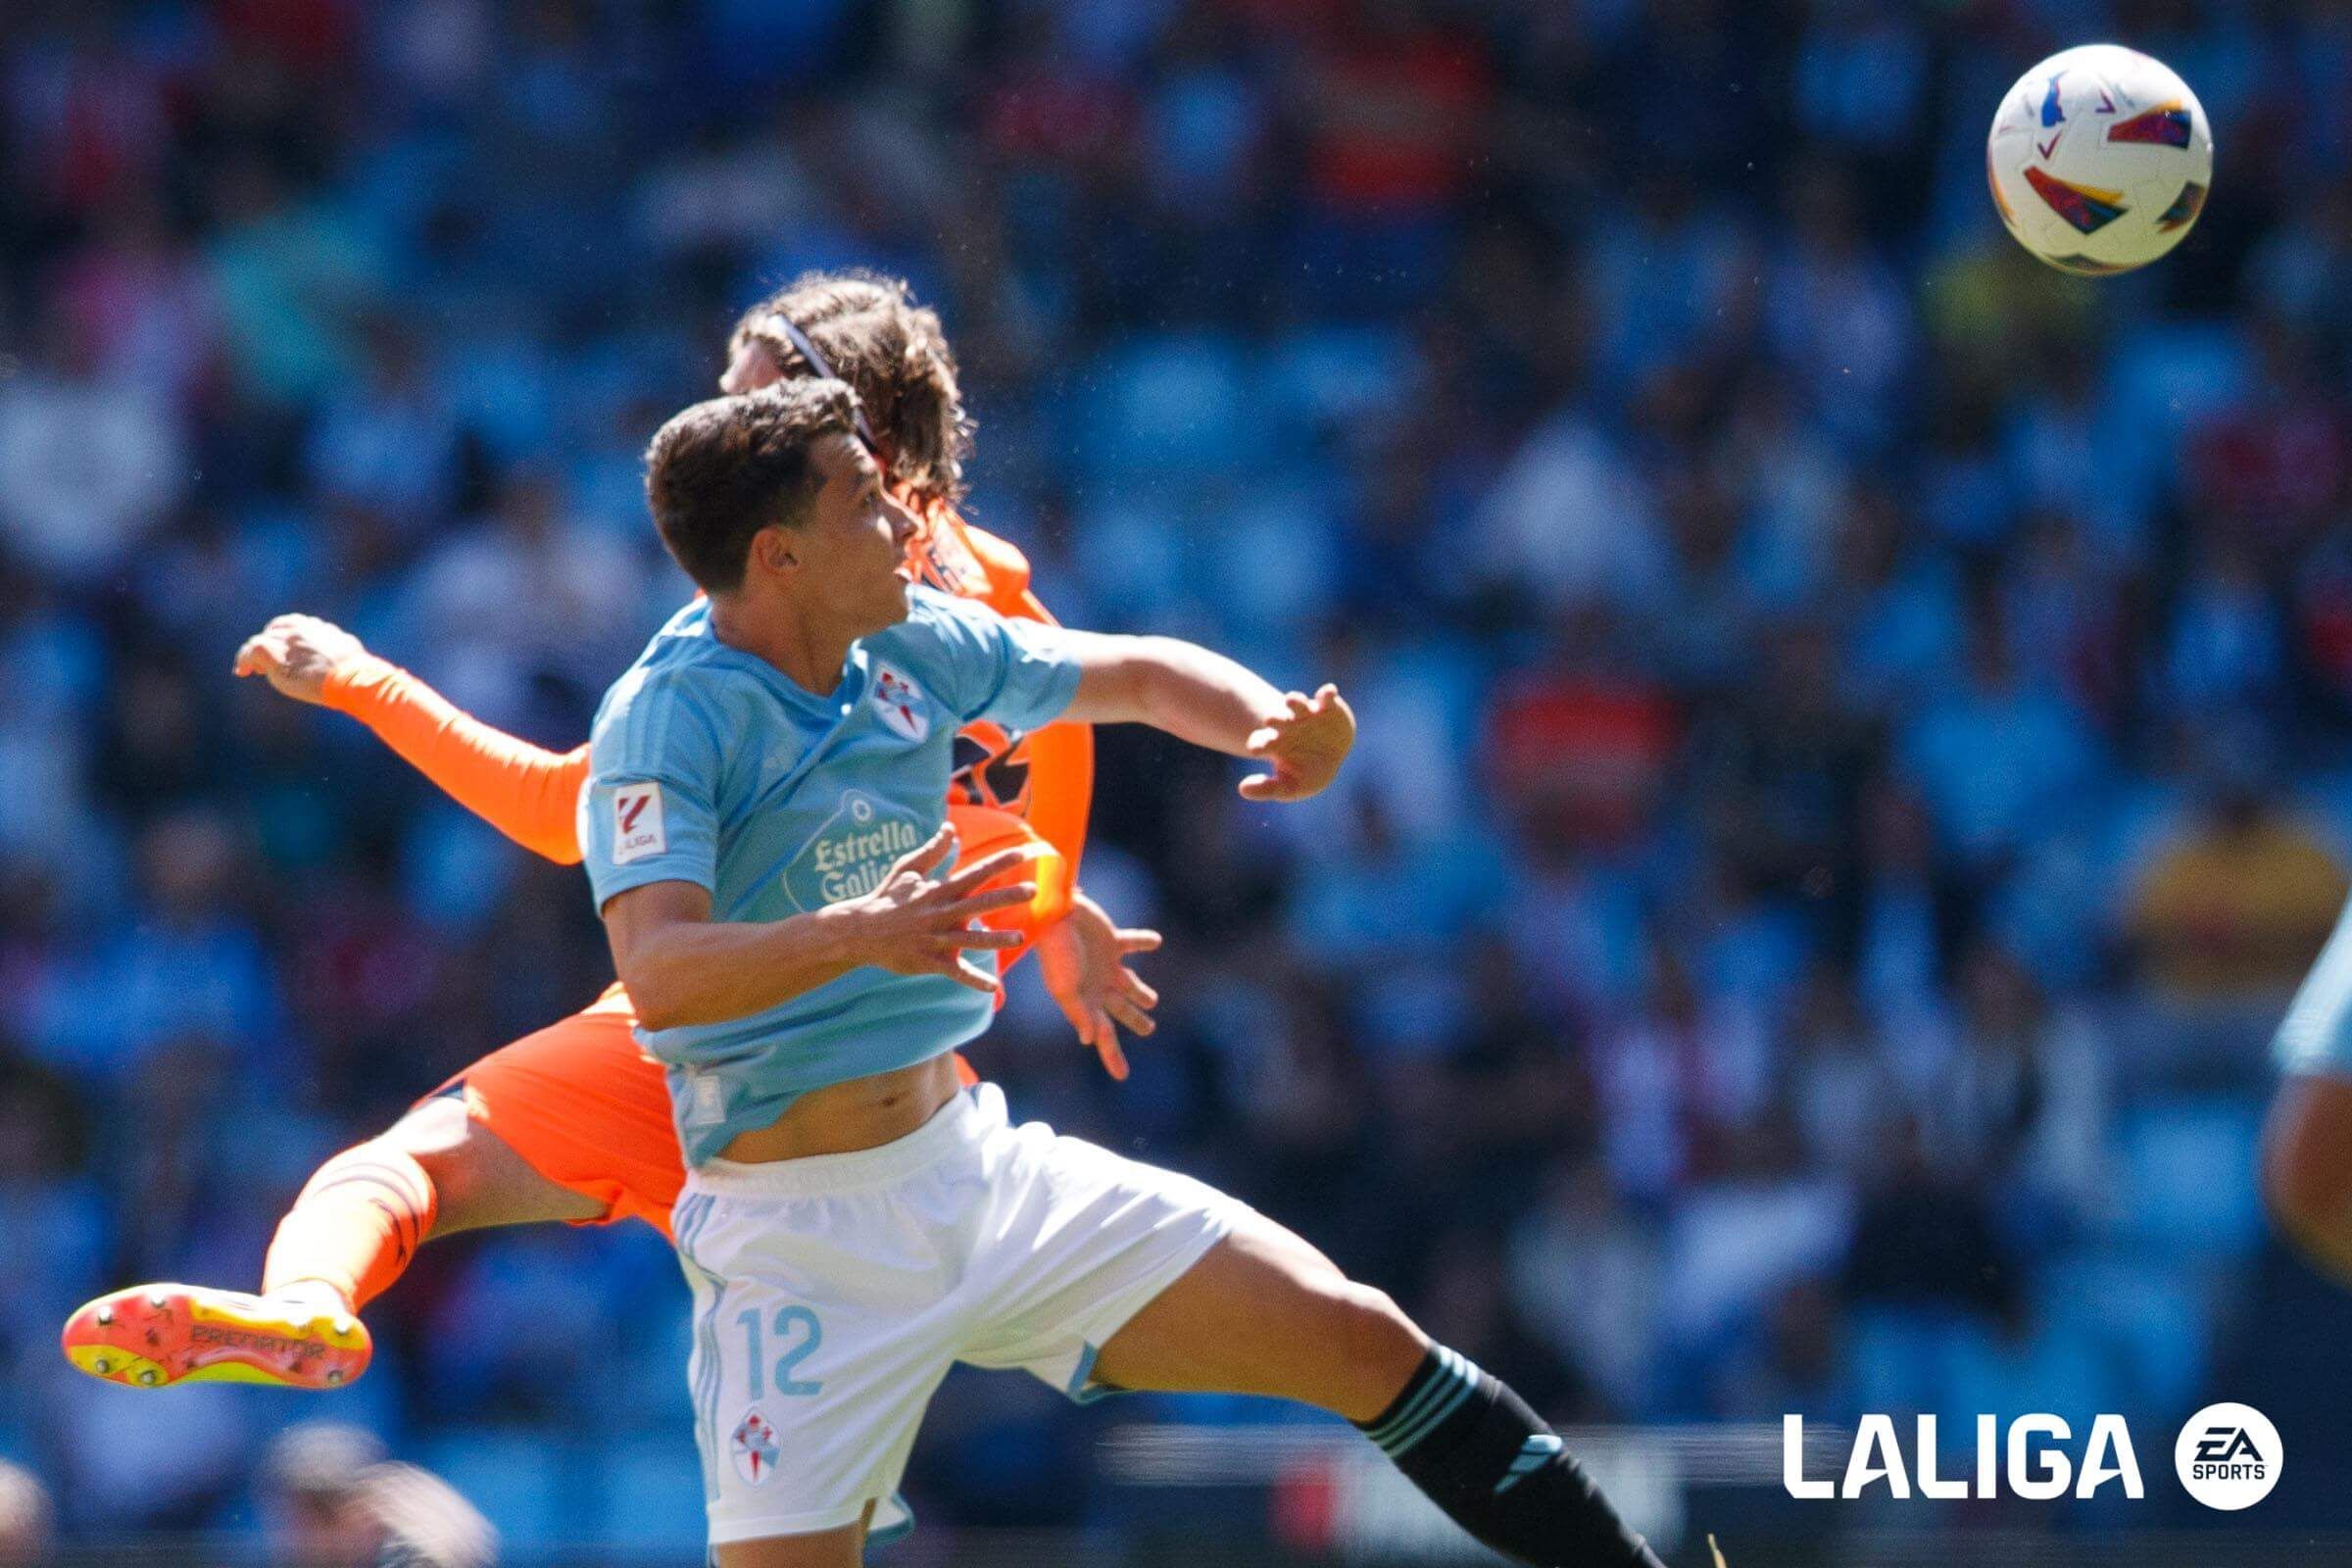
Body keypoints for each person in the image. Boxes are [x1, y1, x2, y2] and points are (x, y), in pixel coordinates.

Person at [594, 376, 1676, 1568]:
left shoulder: (905, 640)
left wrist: (1271, 725)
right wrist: (855, 931)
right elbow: (660, 975)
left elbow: (1138, 676)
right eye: (863, 501)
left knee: (1359, 1336)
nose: (904, 522)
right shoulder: (665, 718)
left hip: (971, 1171)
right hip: (795, 1245)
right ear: (777, 553)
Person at [61, 272, 1151, 1391]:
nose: (709, 417)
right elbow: (1065, 722)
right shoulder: (991, 586)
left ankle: (306, 1303)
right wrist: (1051, 900)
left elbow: (559, 814)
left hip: (712, 1038)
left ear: (816, 415)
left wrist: (362, 681)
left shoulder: (769, 616)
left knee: (413, 1166)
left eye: (740, 395)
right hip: (897, 1086)